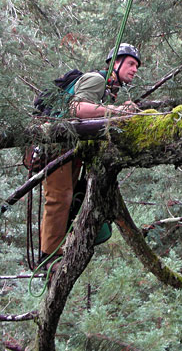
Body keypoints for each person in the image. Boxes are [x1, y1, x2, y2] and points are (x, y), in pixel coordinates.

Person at [39, 43, 141, 266]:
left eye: (136, 66)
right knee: (60, 197)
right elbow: (78, 109)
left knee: (68, 197)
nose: (134, 69)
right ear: (115, 63)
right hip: (56, 145)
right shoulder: (97, 79)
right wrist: (116, 112)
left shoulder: (107, 90)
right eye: (131, 63)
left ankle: (59, 247)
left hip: (69, 147)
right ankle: (49, 257)